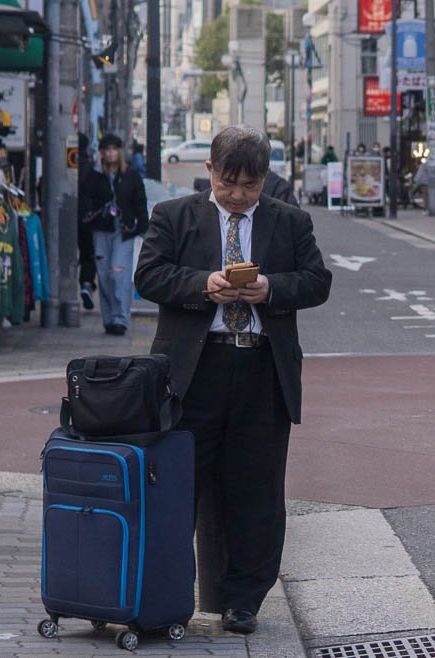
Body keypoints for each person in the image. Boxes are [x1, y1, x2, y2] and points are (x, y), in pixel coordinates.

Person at [134, 125, 332, 635]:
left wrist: (271, 288)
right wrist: (203, 285)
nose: (239, 195)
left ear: (265, 179)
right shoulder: (174, 216)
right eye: (229, 183)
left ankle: (243, 599)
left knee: (255, 490)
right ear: (210, 173)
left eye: (250, 184)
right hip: (194, 373)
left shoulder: (289, 222)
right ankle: (168, 592)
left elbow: (317, 281)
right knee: (180, 486)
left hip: (262, 370)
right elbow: (148, 275)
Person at [84, 133, 148, 335]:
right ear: (101, 153)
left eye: (114, 149)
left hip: (123, 231)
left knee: (118, 274)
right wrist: (96, 171)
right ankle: (109, 318)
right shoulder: (95, 175)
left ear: (120, 152)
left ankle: (121, 318)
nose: (110, 154)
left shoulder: (131, 175)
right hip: (100, 230)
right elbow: (86, 198)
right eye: (106, 150)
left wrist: (141, 227)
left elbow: (140, 203)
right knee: (103, 275)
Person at [77, 133, 98, 309]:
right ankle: (86, 284)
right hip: (88, 218)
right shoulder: (91, 168)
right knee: (88, 255)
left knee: (63, 255)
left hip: (63, 217)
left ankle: (59, 292)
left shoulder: (61, 164)